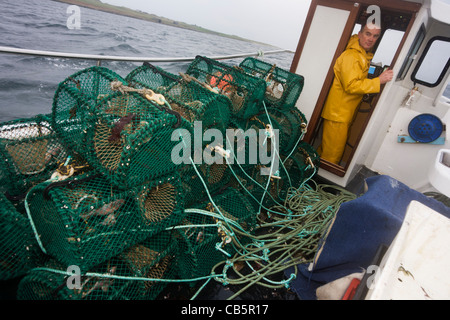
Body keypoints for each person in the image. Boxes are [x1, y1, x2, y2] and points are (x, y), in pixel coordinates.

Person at [318, 23, 394, 165]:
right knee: (331, 157)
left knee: (325, 151)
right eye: (367, 34)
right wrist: (379, 81)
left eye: (375, 36)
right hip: (338, 114)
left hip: (342, 113)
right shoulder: (352, 56)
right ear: (359, 34)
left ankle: (310, 175)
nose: (371, 39)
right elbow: (351, 85)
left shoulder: (361, 55)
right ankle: (314, 184)